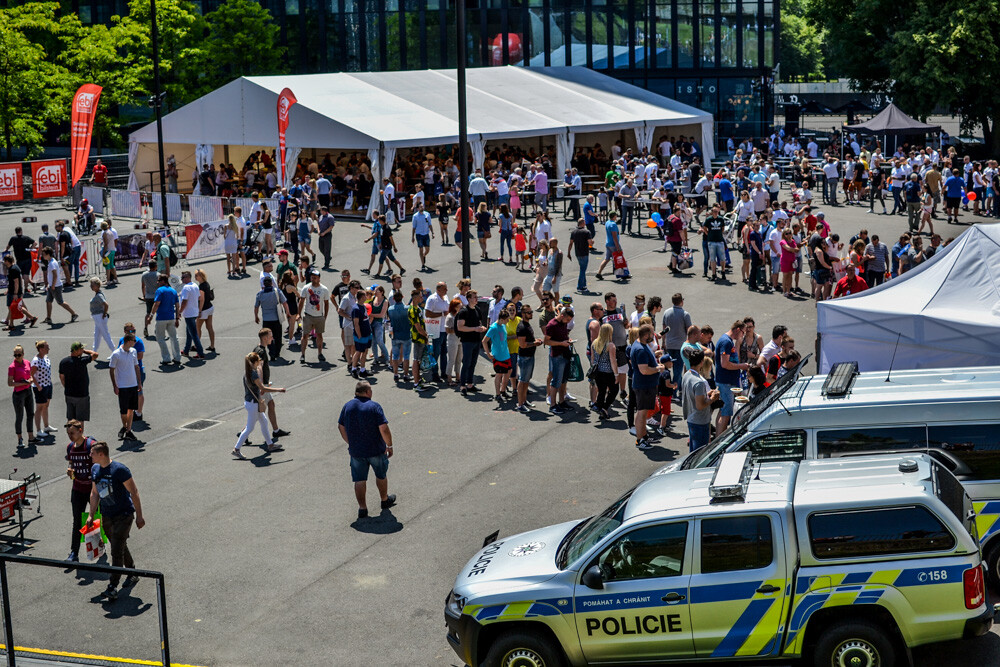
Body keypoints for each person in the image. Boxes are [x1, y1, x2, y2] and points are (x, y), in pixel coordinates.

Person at [86, 441, 145, 601]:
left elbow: (134, 492)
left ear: (101, 454)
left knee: (116, 550)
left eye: (92, 453)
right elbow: (94, 493)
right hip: (107, 515)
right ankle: (132, 572)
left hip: (124, 515)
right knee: (118, 545)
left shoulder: (119, 470)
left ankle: (113, 586)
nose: (90, 455)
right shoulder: (95, 469)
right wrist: (91, 515)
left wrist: (139, 516)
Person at [338, 381, 396, 520]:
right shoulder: (374, 406)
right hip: (376, 449)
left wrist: (351, 442)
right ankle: (384, 500)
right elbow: (384, 428)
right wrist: (389, 445)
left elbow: (341, 427)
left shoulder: (347, 406)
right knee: (381, 475)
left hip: (357, 452)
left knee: (359, 480)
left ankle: (362, 508)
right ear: (367, 392)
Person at [234, 352, 285, 459]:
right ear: (254, 362)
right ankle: (236, 449)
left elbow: (256, 387)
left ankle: (270, 444)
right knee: (249, 428)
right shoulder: (253, 373)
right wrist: (279, 390)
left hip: (250, 402)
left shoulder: (247, 373)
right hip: (253, 404)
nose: (259, 362)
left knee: (264, 421)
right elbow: (263, 389)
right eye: (258, 360)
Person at [64, 419, 95, 562]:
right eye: (68, 433)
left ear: (80, 430)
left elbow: (99, 464)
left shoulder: (91, 446)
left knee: (97, 518)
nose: (70, 436)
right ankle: (73, 553)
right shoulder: (70, 447)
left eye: (72, 433)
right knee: (77, 521)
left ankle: (99, 546)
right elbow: (71, 461)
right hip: (77, 488)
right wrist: (70, 469)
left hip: (92, 489)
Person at [630, 324, 662, 450]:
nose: (653, 336)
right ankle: (640, 440)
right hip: (644, 386)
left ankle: (644, 436)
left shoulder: (641, 345)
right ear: (646, 335)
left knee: (643, 413)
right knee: (642, 413)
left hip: (646, 385)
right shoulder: (640, 349)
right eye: (652, 334)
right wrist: (658, 368)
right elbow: (644, 370)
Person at [714, 321, 749, 433]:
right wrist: (742, 366)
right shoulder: (726, 342)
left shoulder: (728, 341)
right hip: (725, 382)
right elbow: (725, 364)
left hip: (726, 382)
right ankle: (719, 442)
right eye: (743, 332)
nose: (743, 336)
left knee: (724, 411)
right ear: (738, 330)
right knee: (726, 413)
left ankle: (718, 439)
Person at [682, 350, 718, 451]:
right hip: (700, 421)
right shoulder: (699, 382)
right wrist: (712, 398)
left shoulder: (686, 375)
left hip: (691, 418)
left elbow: (694, 396)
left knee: (693, 452)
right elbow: (700, 405)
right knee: (699, 454)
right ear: (702, 362)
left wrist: (707, 394)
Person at [109, 334, 141, 442]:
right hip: (122, 386)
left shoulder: (133, 351)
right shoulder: (116, 354)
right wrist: (115, 385)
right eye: (134, 340)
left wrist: (139, 382)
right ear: (128, 341)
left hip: (133, 384)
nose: (135, 342)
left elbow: (136, 367)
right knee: (123, 411)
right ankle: (125, 426)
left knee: (131, 409)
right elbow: (111, 370)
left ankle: (128, 430)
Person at [543, 306, 574, 414]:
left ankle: (561, 402)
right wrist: (561, 343)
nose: (568, 322)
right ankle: (553, 405)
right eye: (568, 320)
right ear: (562, 315)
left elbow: (563, 335)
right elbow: (546, 341)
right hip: (557, 356)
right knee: (556, 380)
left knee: (563, 380)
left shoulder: (563, 323)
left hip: (565, 354)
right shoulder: (551, 325)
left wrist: (568, 340)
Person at [59, 342, 98, 426]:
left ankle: (71, 437)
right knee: (80, 420)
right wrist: (85, 352)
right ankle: (79, 437)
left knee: (70, 419)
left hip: (69, 394)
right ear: (76, 351)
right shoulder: (82, 361)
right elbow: (95, 354)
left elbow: (62, 377)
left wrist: (66, 387)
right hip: (82, 395)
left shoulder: (63, 362)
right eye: (81, 349)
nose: (82, 350)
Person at [145, 274, 181, 366]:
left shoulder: (159, 290)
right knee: (174, 338)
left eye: (159, 280)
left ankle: (166, 358)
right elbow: (177, 306)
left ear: (164, 281)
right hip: (171, 317)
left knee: (160, 338)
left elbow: (156, 304)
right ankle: (177, 357)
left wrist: (151, 316)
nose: (157, 282)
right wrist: (177, 318)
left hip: (161, 318)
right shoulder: (173, 291)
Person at [456, 291, 487, 395]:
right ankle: (463, 386)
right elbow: (460, 327)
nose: (476, 299)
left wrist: (481, 328)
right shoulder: (464, 311)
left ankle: (470, 384)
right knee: (466, 363)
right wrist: (475, 329)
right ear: (468, 299)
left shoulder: (477, 309)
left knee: (473, 363)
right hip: (467, 341)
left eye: (476, 297)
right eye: (474, 297)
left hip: (476, 340)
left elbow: (479, 323)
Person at [297, 269, 330, 363]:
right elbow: (301, 301)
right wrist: (298, 314)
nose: (313, 278)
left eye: (315, 276)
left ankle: (320, 353)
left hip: (319, 316)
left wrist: (325, 316)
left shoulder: (324, 289)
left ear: (319, 278)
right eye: (312, 276)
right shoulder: (306, 288)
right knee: (305, 335)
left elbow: (326, 303)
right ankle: (302, 354)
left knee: (319, 335)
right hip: (308, 316)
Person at [9, 345, 38, 448]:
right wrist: (22, 383)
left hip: (28, 391)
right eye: (15, 355)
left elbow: (30, 375)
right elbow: (10, 383)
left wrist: (29, 380)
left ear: (23, 354)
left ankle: (31, 437)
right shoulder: (12, 367)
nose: (17, 356)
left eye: (19, 354)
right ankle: (20, 439)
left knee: (30, 414)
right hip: (18, 394)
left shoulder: (27, 363)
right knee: (19, 416)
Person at [255, 277, 289, 360]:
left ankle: (272, 353)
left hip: (266, 320)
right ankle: (277, 352)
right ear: (271, 283)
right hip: (276, 319)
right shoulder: (277, 292)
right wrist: (287, 312)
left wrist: (256, 316)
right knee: (277, 337)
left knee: (268, 338)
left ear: (264, 284)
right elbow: (284, 303)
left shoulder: (260, 294)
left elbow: (256, 306)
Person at [41, 247, 78, 325]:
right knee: (48, 301)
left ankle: (74, 314)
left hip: (56, 286)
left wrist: (53, 285)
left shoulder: (51, 263)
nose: (42, 256)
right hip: (52, 285)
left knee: (60, 302)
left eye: (44, 254)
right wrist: (49, 285)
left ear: (48, 254)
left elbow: (55, 275)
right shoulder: (51, 261)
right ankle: (48, 318)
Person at [482, 309, 512, 402]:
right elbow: (484, 341)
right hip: (498, 356)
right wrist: (488, 353)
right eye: (507, 319)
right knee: (499, 374)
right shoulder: (493, 328)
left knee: (509, 371)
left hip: (505, 354)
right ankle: (497, 394)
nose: (508, 321)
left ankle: (503, 390)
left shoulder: (503, 325)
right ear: (502, 319)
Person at [2, 254, 36, 330]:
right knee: (18, 307)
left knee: (12, 308)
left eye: (5, 261)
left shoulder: (13, 269)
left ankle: (11, 325)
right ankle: (31, 318)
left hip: (14, 292)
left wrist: (15, 293)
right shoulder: (14, 267)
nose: (4, 262)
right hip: (14, 291)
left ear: (8, 261)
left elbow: (16, 282)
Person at [30, 340, 56, 436]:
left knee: (46, 405)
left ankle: (46, 426)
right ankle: (38, 430)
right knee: (39, 408)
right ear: (41, 349)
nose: (48, 349)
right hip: (40, 387)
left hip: (48, 385)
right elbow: (31, 374)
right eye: (46, 347)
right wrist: (38, 386)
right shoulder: (36, 361)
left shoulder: (46, 357)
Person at [86, 277, 115, 352]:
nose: (91, 287)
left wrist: (104, 314)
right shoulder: (98, 294)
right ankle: (94, 351)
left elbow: (106, 304)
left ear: (97, 285)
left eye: (92, 285)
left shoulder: (99, 295)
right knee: (96, 335)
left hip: (99, 317)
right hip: (97, 317)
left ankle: (114, 351)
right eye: (91, 285)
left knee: (105, 335)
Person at [594, 211, 622, 280]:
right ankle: (621, 274)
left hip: (608, 243)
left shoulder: (607, 222)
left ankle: (599, 273)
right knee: (618, 259)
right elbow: (614, 236)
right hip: (613, 245)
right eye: (616, 215)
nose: (616, 217)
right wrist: (618, 247)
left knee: (607, 259)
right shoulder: (613, 224)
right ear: (614, 216)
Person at [194, 270, 217, 353]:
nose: (195, 277)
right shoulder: (206, 284)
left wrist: (199, 311)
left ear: (201, 276)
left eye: (196, 275)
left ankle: (197, 346)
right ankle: (212, 346)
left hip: (204, 310)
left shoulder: (201, 287)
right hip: (210, 308)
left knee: (197, 327)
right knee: (209, 327)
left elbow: (202, 299)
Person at [411, 203, 435, 270]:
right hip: (419, 235)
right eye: (421, 207)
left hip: (426, 234)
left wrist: (433, 233)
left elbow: (429, 224)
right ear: (418, 208)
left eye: (422, 206)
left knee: (427, 249)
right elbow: (413, 227)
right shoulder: (415, 216)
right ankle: (423, 265)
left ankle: (424, 255)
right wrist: (412, 237)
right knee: (421, 249)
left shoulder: (427, 214)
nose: (422, 207)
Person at [139, 261, 158, 338]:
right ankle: (157, 328)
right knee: (157, 313)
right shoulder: (158, 274)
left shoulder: (144, 274)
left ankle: (146, 327)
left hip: (148, 296)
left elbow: (143, 286)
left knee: (148, 313)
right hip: (156, 296)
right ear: (155, 266)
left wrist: (144, 295)